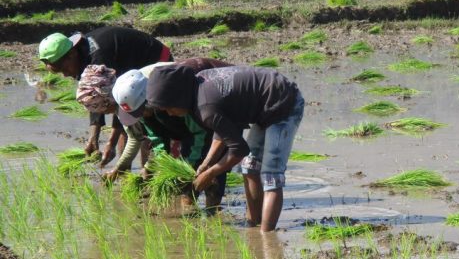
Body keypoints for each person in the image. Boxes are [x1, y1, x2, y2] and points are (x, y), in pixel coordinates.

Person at [146, 65, 305, 232]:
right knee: (250, 166)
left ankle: (265, 237)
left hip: (283, 101)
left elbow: (239, 149)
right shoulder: (198, 89)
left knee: (271, 176)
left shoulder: (205, 106)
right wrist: (206, 164)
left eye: (169, 107)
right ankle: (253, 225)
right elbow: (222, 131)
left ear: (177, 97)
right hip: (264, 104)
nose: (170, 113)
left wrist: (211, 173)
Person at [108, 58, 232, 213]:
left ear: (149, 100)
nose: (141, 116)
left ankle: (213, 210)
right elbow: (158, 140)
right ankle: (191, 209)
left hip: (215, 117)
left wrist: (187, 165)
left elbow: (200, 133)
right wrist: (162, 167)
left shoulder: (176, 98)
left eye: (142, 111)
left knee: (213, 167)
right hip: (190, 132)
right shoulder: (147, 113)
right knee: (187, 184)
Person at [38, 27, 171, 165]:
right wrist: (93, 138)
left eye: (64, 69)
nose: (65, 75)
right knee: (127, 121)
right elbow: (95, 98)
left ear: (71, 53)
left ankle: (148, 172)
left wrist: (111, 143)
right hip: (128, 70)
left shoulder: (99, 58)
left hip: (155, 60)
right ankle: (124, 170)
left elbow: (121, 102)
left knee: (146, 123)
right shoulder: (80, 56)